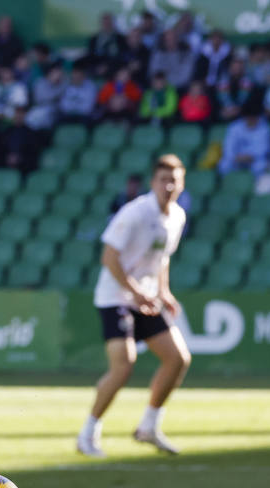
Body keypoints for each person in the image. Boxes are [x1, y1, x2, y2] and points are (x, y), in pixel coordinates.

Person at [77, 154, 191, 459]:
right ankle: (88, 433)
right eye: (163, 179)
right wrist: (136, 292)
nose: (169, 186)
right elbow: (109, 258)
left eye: (175, 180)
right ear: (153, 182)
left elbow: (162, 257)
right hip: (115, 297)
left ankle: (148, 427)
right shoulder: (135, 213)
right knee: (124, 365)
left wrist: (163, 292)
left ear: (182, 184)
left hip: (147, 298)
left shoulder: (177, 216)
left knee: (178, 358)